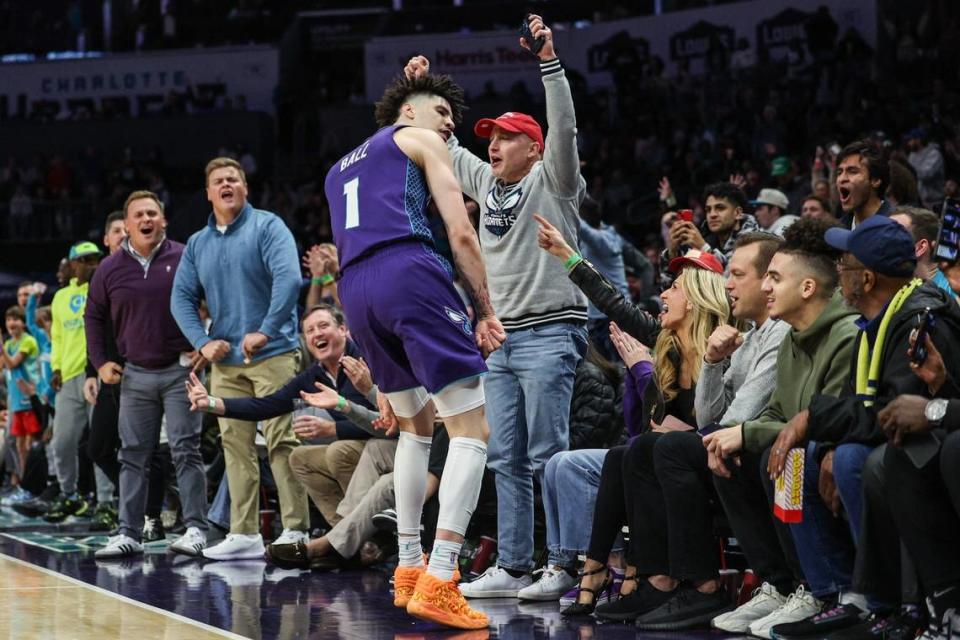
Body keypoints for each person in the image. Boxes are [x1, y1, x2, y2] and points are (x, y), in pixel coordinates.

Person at [405, 14, 590, 600]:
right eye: (491, 136)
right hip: (502, 338)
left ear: (532, 148)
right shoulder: (486, 185)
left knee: (548, 454)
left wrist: (549, 64)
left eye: (506, 136)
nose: (493, 143)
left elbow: (564, 129)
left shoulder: (555, 180)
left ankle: (562, 563)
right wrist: (419, 92)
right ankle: (513, 564)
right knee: (504, 456)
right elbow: (442, 144)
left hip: (550, 331)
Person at [323, 60, 505, 629]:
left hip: (354, 289)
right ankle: (444, 574)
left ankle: (408, 566)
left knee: (415, 426)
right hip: (409, 269)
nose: (449, 125)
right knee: (472, 427)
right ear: (410, 113)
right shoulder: (421, 137)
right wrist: (484, 309)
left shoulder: (338, 169)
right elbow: (460, 231)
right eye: (444, 112)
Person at [762, 215, 960, 640]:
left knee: (853, 458)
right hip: (905, 438)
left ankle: (889, 603)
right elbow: (864, 405)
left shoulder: (919, 319)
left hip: (928, 443)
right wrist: (822, 429)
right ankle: (831, 592)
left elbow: (893, 414)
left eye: (845, 264)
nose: (838, 272)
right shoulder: (877, 319)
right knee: (802, 457)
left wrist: (815, 419)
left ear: (866, 279)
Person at [704, 218, 859, 636]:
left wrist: (748, 432)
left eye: (774, 277)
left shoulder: (845, 334)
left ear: (807, 288)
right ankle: (779, 584)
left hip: (829, 453)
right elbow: (776, 413)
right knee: (730, 452)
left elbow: (823, 422)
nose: (766, 287)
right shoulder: (793, 336)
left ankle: (821, 587)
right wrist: (738, 435)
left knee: (790, 456)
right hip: (801, 449)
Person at [171, 157, 310, 561]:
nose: (226, 184)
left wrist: (265, 329)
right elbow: (180, 297)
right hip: (226, 361)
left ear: (245, 188)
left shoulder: (268, 226)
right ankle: (245, 532)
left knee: (282, 439)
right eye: (218, 181)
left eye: (233, 178)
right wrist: (201, 340)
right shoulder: (198, 243)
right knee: (235, 444)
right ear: (209, 193)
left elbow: (288, 279)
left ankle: (295, 529)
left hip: (274, 352)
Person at [86, 191, 209, 559]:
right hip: (134, 373)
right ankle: (129, 533)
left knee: (187, 450)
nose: (146, 219)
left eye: (152, 213)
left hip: (180, 369)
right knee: (132, 455)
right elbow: (93, 317)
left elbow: (213, 297)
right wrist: (100, 362)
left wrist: (204, 340)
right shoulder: (109, 268)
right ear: (126, 225)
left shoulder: (185, 255)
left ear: (163, 220)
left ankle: (196, 529)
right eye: (139, 214)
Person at [185, 304, 380, 532]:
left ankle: (371, 534)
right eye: (310, 330)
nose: (317, 333)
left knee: (339, 452)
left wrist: (331, 430)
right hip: (355, 447)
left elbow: (384, 424)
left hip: (386, 444)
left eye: (323, 326)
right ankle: (347, 534)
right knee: (299, 457)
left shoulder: (369, 360)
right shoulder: (314, 376)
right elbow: (265, 406)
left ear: (343, 330)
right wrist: (209, 402)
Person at [46, 241, 103, 522]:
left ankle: (106, 502)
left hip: (97, 374)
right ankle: (69, 495)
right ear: (72, 265)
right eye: (84, 260)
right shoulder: (58, 298)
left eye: (94, 259)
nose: (91, 264)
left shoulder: (101, 288)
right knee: (61, 442)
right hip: (68, 377)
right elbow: (56, 337)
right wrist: (56, 367)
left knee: (99, 443)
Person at [661, 182, 759, 283]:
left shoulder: (754, 243)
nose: (712, 214)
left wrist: (704, 249)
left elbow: (732, 286)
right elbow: (672, 290)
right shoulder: (704, 239)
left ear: (737, 213)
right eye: (708, 210)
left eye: (720, 208)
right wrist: (672, 254)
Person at [1, 306, 41, 501]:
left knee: (30, 444)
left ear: (23, 322)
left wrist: (1, 349)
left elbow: (12, 364)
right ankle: (23, 486)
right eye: (8, 320)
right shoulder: (9, 344)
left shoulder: (28, 341)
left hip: (29, 399)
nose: (11, 323)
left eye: (15, 319)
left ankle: (33, 486)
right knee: (19, 446)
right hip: (15, 399)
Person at [889, 206, 955, 297]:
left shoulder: (952, 288)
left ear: (920, 247)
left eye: (892, 234)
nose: (883, 240)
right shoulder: (889, 287)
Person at [836, 140, 892, 229]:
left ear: (875, 180)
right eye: (839, 173)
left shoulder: (900, 225)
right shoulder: (837, 230)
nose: (842, 179)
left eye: (852, 172)